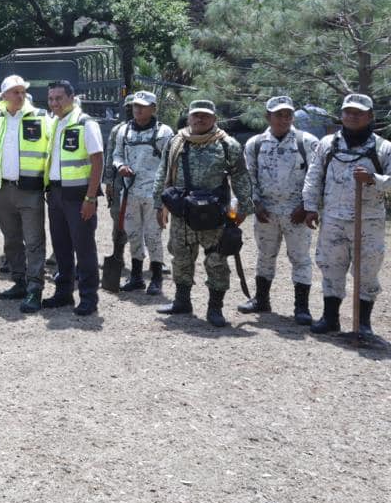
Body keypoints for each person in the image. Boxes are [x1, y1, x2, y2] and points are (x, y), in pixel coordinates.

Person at [153, 100, 255, 328]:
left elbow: (240, 177)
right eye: (196, 115)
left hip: (214, 215)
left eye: (205, 116)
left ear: (214, 118)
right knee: (180, 257)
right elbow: (162, 172)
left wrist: (244, 208)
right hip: (182, 212)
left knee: (216, 261)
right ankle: (182, 302)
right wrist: (159, 204)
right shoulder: (176, 142)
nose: (200, 119)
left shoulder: (227, 145)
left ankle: (215, 308)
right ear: (189, 117)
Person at [302, 93, 391, 337]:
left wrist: (374, 179)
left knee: (367, 271)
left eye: (359, 112)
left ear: (370, 116)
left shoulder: (383, 148)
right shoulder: (328, 144)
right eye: (348, 111)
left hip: (368, 221)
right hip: (333, 218)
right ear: (342, 114)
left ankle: (363, 324)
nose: (352, 116)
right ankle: (330, 318)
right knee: (331, 267)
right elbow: (313, 176)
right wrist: (310, 207)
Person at [240, 95, 319, 322]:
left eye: (288, 115)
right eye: (279, 115)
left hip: (297, 213)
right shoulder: (255, 144)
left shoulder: (307, 142)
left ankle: (301, 308)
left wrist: (307, 206)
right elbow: (249, 177)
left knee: (300, 258)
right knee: (265, 256)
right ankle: (261, 300)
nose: (284, 119)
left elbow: (316, 177)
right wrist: (256, 204)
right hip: (267, 212)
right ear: (268, 116)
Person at [0, 75, 53, 313]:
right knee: (12, 239)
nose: (19, 95)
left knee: (34, 241)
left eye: (22, 91)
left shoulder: (40, 117)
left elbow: (53, 148)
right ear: (3, 95)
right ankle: (19, 282)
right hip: (3, 189)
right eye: (14, 91)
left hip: (30, 189)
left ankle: (35, 289)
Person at [42, 81, 105, 316]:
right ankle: (63, 293)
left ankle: (89, 298)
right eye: (51, 99)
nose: (54, 103)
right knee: (61, 247)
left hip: (79, 196)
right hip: (56, 193)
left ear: (71, 97)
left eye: (59, 98)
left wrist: (90, 198)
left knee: (84, 248)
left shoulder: (85, 123)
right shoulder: (55, 123)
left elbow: (98, 161)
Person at [112, 91, 172, 295]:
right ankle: (136, 276)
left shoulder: (164, 133)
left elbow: (170, 163)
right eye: (136, 105)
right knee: (133, 234)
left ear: (153, 108)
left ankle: (156, 278)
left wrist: (165, 194)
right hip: (130, 193)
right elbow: (117, 154)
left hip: (154, 195)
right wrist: (120, 166)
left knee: (153, 235)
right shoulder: (124, 131)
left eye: (144, 106)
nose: (138, 109)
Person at [101, 94, 135, 281]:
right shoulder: (118, 130)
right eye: (128, 107)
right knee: (119, 221)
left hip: (143, 184)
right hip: (119, 183)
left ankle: (145, 259)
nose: (131, 110)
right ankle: (118, 254)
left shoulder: (158, 131)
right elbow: (109, 157)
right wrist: (108, 183)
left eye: (135, 107)